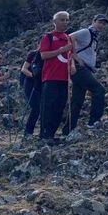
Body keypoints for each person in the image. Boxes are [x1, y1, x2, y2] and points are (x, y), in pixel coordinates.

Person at [61, 14, 108, 135]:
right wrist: (76, 56)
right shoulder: (86, 32)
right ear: (93, 21)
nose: (101, 25)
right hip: (79, 68)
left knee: (77, 99)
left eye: (104, 23)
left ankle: (68, 130)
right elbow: (69, 37)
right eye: (100, 22)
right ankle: (94, 121)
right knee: (99, 90)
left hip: (84, 68)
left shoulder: (94, 36)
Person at [39, 11, 73, 145]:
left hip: (64, 78)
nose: (65, 22)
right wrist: (62, 50)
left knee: (60, 107)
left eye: (67, 20)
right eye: (62, 20)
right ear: (55, 22)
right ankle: (44, 135)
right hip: (50, 77)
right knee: (48, 106)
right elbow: (43, 55)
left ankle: (51, 134)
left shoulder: (69, 37)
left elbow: (71, 56)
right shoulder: (48, 37)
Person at [20, 49, 42, 137]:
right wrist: (33, 76)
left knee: (40, 107)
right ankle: (28, 131)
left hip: (41, 84)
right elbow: (24, 69)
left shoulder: (49, 55)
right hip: (30, 82)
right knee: (36, 106)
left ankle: (35, 130)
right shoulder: (33, 54)